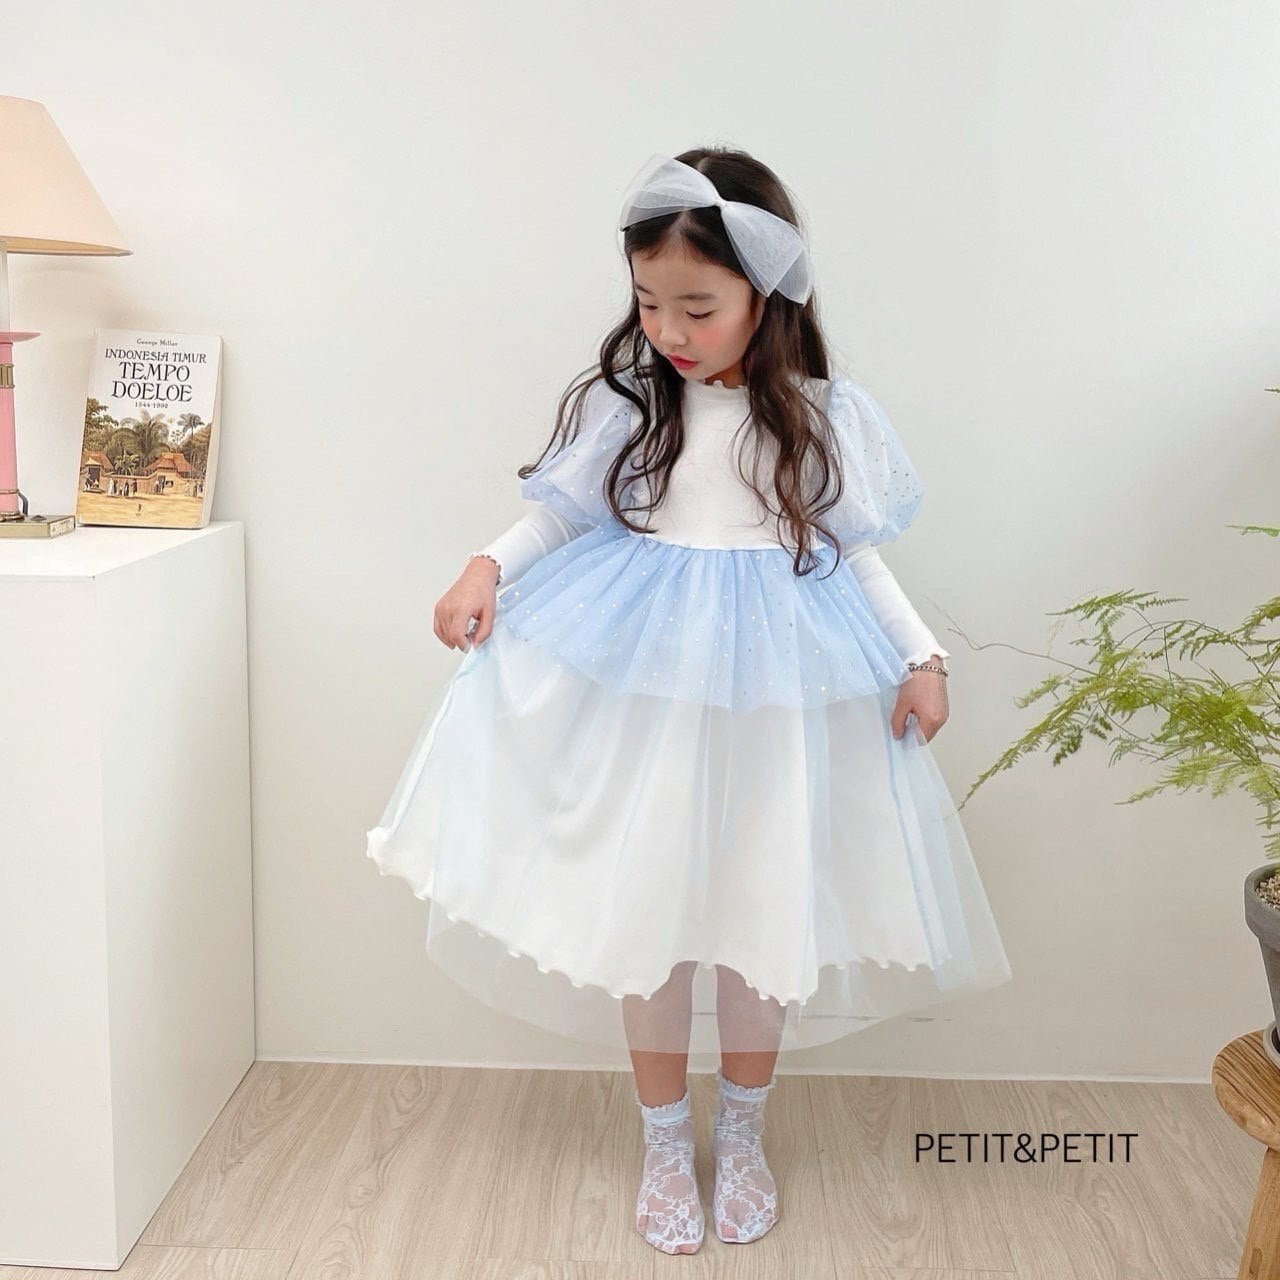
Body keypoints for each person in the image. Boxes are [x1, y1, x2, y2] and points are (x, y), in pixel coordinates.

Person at [366, 147, 1012, 1254]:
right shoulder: (635, 404)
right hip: (652, 696)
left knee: (762, 912)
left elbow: (853, 553)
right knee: (653, 921)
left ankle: (744, 1132)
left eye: (698, 307)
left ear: (767, 296)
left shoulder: (817, 416)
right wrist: (485, 566)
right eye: (648, 301)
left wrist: (924, 657)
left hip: (778, 702)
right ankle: (666, 1140)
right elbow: (564, 513)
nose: (668, 328)